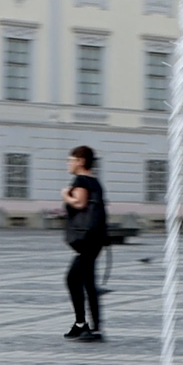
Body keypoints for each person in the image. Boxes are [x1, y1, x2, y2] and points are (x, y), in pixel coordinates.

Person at [62, 146, 108, 342]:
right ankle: (88, 326)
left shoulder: (81, 180)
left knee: (74, 279)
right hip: (95, 238)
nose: (69, 164)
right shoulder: (96, 182)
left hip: (86, 239)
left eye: (71, 160)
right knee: (86, 281)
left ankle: (87, 326)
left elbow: (80, 203)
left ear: (81, 161)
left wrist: (65, 195)